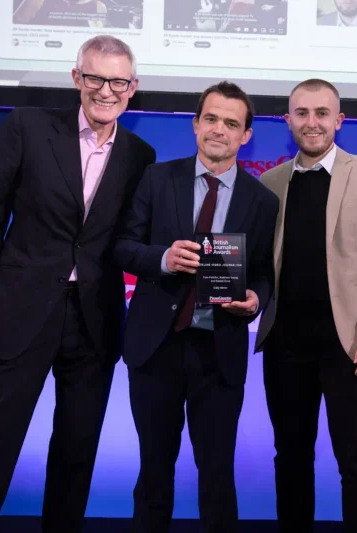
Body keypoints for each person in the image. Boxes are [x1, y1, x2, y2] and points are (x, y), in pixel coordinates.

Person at [0, 35, 155, 533]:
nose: (107, 90)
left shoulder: (140, 155)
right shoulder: (29, 127)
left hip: (95, 320)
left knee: (76, 454)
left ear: (133, 87)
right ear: (76, 78)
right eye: (96, 78)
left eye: (118, 81)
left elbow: (132, 239)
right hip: (19, 311)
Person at [114, 81, 278, 533]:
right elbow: (123, 246)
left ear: (246, 135)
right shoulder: (156, 178)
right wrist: (162, 258)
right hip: (155, 348)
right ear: (195, 125)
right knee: (153, 474)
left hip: (218, 351)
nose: (219, 130)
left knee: (218, 476)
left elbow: (264, 272)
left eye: (231, 123)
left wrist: (255, 300)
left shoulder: (262, 200)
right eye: (211, 119)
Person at [255, 78, 357, 533]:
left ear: (339, 120)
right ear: (288, 121)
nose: (312, 122)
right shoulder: (271, 181)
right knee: (291, 458)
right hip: (285, 345)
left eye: (322, 113)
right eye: (302, 113)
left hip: (352, 344)